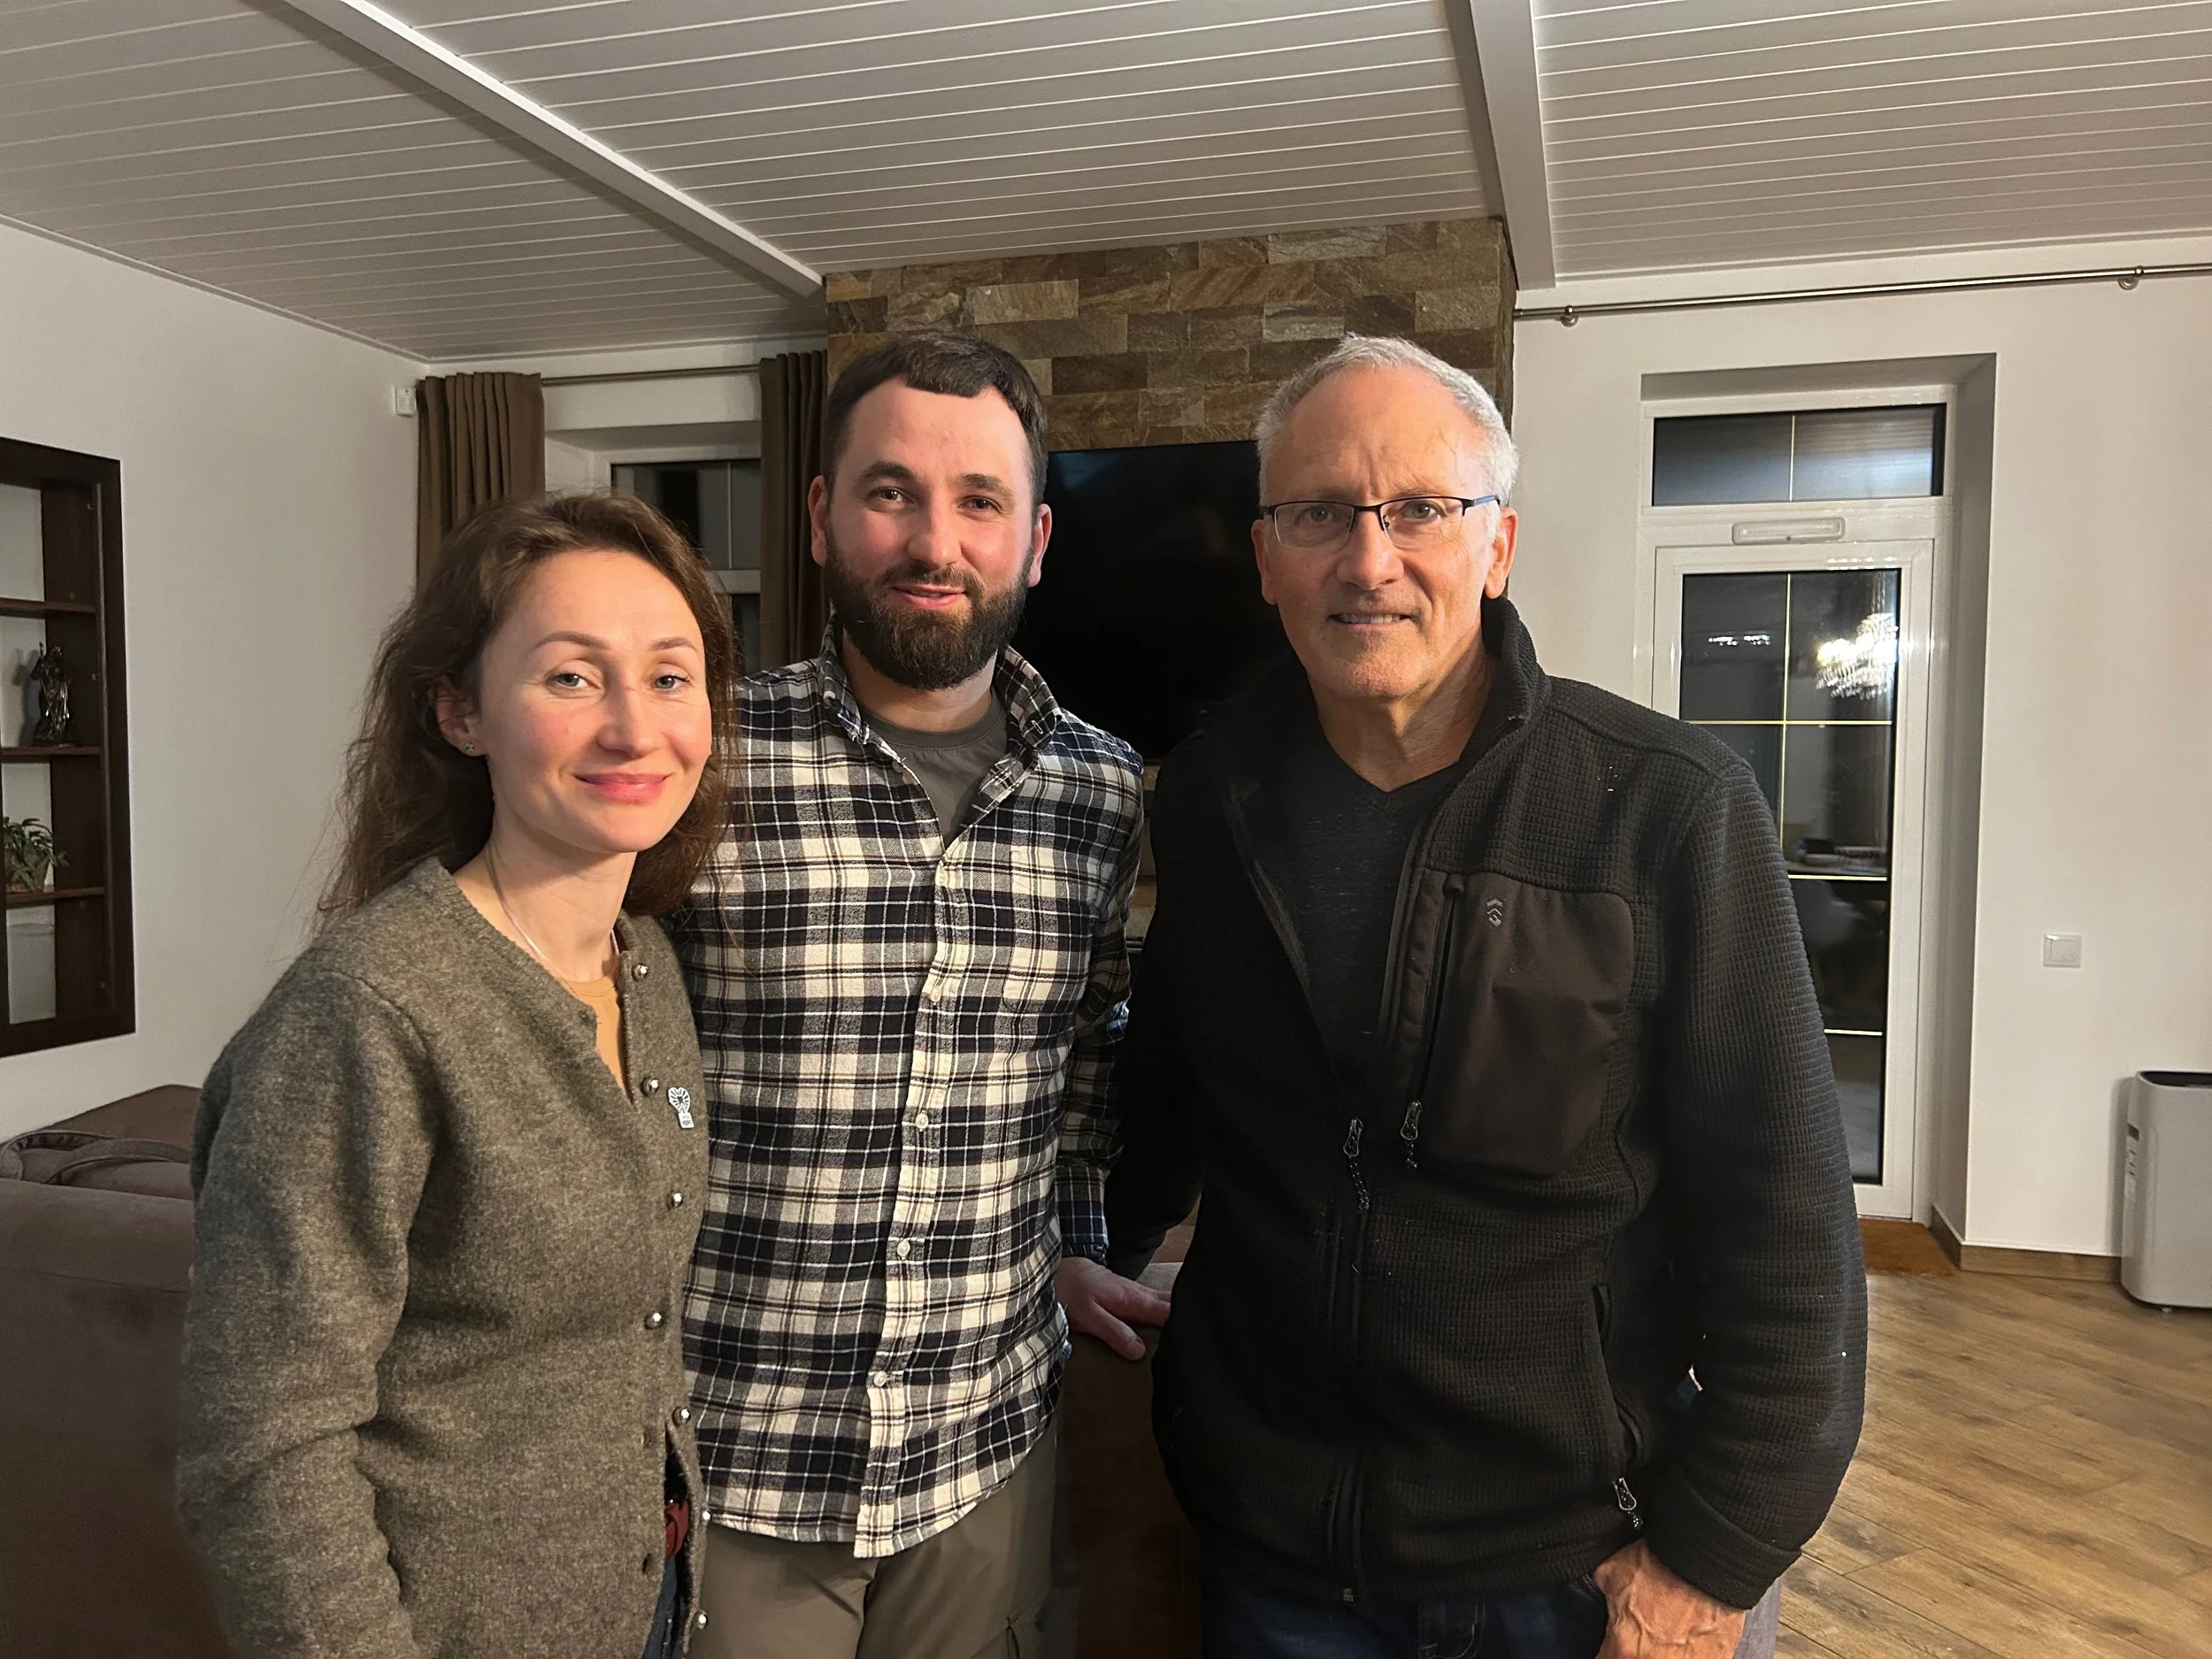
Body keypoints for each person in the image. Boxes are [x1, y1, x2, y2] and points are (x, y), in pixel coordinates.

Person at [1104, 335, 1866, 1659]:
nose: (1368, 556)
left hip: (1574, 1566)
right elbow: (1165, 1099)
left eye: (1418, 509)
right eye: (1319, 512)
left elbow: (1791, 1233)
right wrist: (1086, 1240)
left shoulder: (1666, 808)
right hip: (1274, 1558)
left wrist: (1715, 1553)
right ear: (1268, 555)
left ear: (1497, 545)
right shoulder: (1211, 801)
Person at [177, 491, 739, 1659]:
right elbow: (263, 1448)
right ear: (460, 711)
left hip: (641, 1606)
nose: (636, 728)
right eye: (572, 677)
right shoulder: (367, 1012)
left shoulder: (648, 967)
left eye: (671, 675)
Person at [675, 331, 1162, 1659]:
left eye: (979, 500)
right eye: (891, 492)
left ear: (1038, 538)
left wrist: (1068, 1239)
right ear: (825, 515)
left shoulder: (1103, 789)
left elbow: (1085, 1056)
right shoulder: (701, 755)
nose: (932, 539)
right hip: (733, 1459)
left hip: (984, 1457)